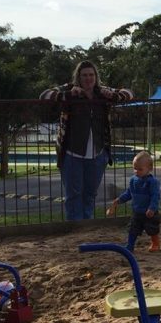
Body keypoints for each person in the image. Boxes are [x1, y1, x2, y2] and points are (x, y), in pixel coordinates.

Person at [40, 61, 134, 220]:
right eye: (84, 75)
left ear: (96, 77)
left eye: (91, 75)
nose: (88, 78)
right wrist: (68, 95)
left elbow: (129, 93)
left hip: (97, 154)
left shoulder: (102, 92)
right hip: (71, 153)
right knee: (73, 195)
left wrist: (114, 95)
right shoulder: (68, 90)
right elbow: (44, 95)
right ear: (78, 77)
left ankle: (87, 226)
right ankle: (75, 227)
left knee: (90, 194)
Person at [107, 151, 161, 252]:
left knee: (152, 229)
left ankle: (155, 243)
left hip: (149, 212)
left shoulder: (152, 182)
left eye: (140, 169)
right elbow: (129, 193)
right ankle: (130, 245)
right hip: (137, 212)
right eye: (135, 168)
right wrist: (119, 200)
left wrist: (152, 208)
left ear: (150, 168)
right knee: (132, 229)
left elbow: (155, 196)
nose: (136, 171)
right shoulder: (133, 180)